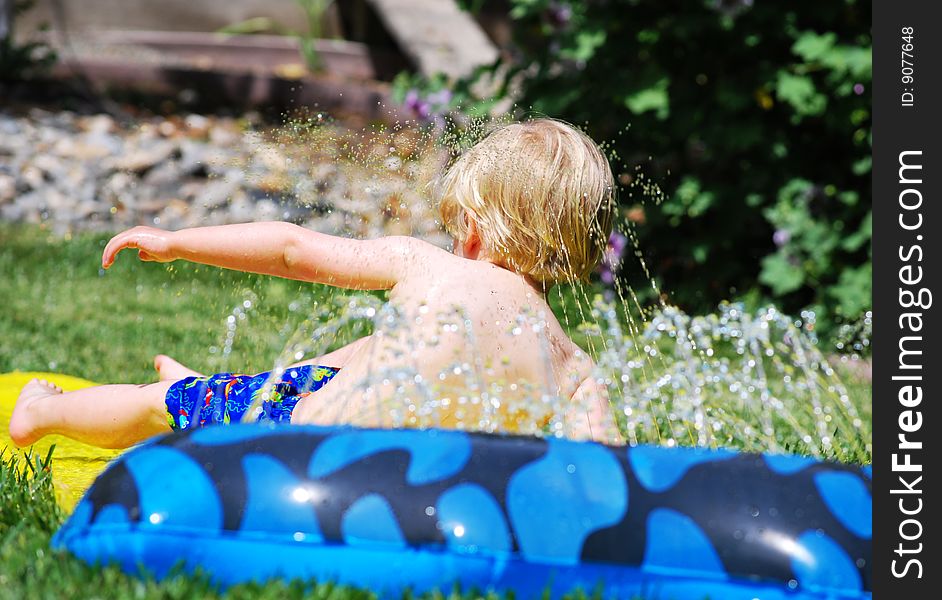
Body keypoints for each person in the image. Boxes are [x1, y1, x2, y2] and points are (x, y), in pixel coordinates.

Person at [9, 118, 620, 449]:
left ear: (476, 230)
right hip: (363, 446)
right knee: (364, 355)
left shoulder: (428, 266)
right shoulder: (569, 361)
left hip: (295, 441)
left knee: (156, 405)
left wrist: (177, 243)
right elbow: (609, 462)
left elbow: (292, 246)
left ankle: (43, 413)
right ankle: (61, 413)